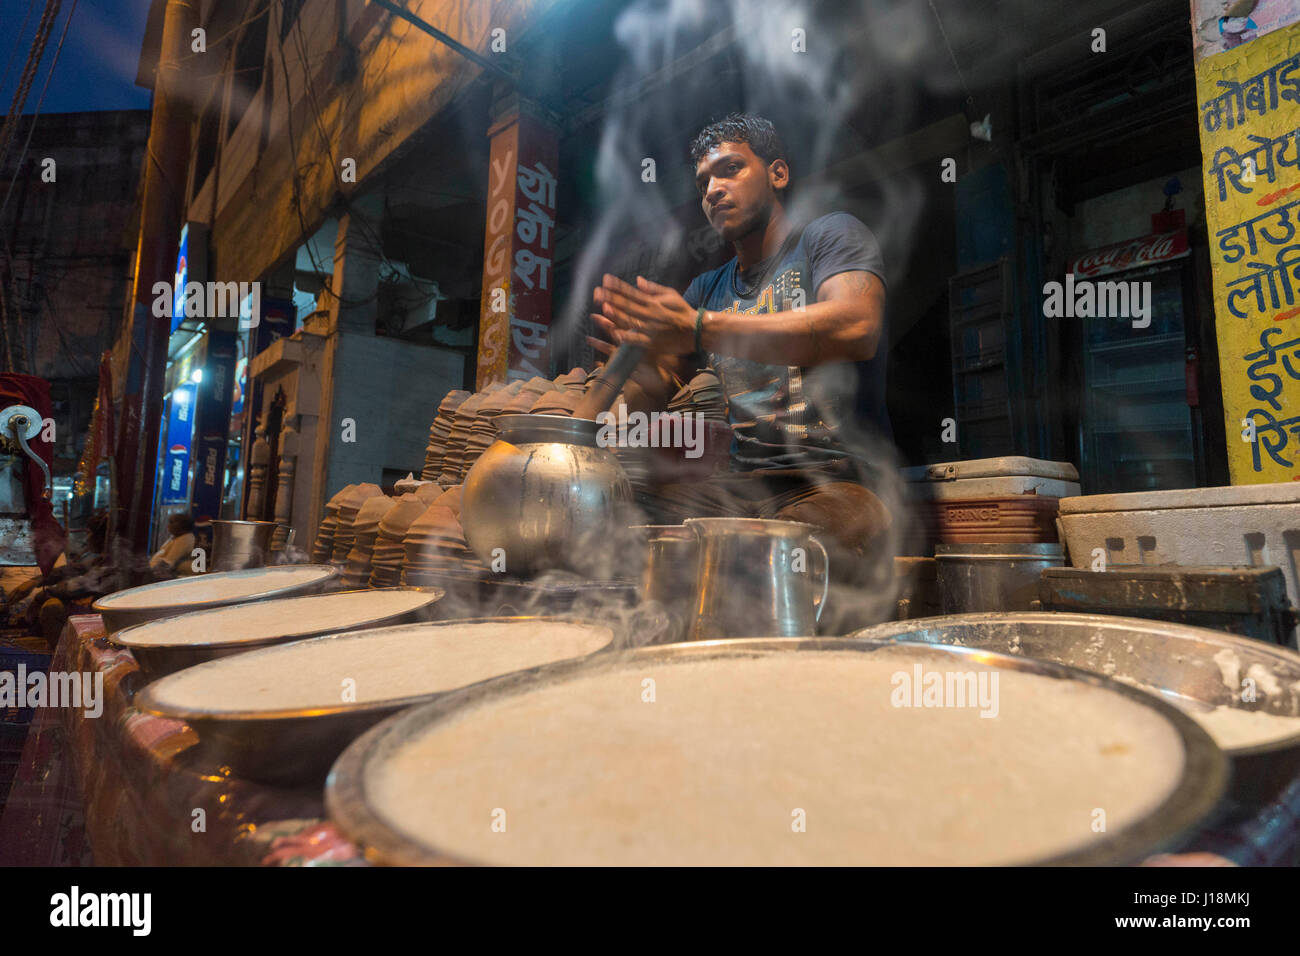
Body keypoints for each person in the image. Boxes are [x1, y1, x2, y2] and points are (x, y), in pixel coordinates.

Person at [589, 113, 896, 629]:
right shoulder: (708, 287)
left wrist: (701, 327)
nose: (713, 190)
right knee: (623, 531)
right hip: (746, 488)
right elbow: (652, 399)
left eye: (730, 169)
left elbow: (856, 325)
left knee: (760, 561)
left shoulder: (829, 237)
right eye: (704, 182)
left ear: (777, 173)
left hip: (840, 485)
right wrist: (634, 369)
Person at [150, 512, 196, 578]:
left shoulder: (186, 539)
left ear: (183, 525)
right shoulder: (175, 537)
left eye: (171, 522)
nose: (168, 525)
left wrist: (150, 572)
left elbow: (168, 563)